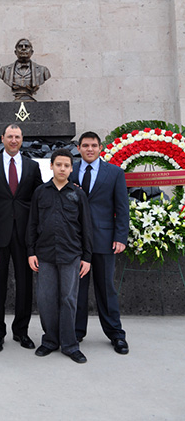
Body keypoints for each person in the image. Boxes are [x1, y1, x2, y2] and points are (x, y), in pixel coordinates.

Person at [0, 123, 43, 352]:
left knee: (25, 285)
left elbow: (40, 196)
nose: (14, 140)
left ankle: (21, 331)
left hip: (25, 234)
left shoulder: (32, 166)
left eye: (17, 137)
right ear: (2, 138)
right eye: (10, 136)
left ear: (22, 139)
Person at [26, 149, 93, 363]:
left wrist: (87, 257)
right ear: (51, 166)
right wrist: (31, 252)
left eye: (66, 165)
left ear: (71, 169)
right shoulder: (40, 192)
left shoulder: (78, 194)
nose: (62, 169)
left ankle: (70, 344)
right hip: (44, 255)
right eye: (58, 165)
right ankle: (50, 341)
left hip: (71, 255)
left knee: (68, 299)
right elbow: (32, 224)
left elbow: (86, 227)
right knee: (46, 300)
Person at [71, 131, 130, 355]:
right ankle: (76, 333)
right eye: (85, 145)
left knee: (107, 289)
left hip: (105, 240)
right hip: (76, 241)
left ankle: (116, 334)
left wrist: (120, 237)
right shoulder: (71, 170)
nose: (90, 149)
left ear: (100, 147)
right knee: (77, 290)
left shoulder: (114, 173)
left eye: (94, 145)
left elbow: (122, 208)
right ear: (79, 148)